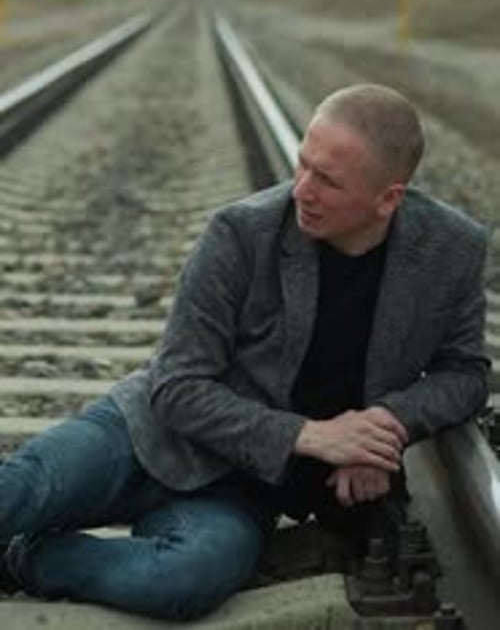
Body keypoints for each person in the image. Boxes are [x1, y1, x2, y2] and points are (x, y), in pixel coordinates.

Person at [0, 83, 489, 620]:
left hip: (239, 490)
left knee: (185, 580)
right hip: (144, 436)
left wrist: (383, 427)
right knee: (19, 489)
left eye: (327, 180)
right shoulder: (241, 232)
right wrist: (314, 436)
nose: (302, 189)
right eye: (303, 164)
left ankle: (29, 559)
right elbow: (175, 387)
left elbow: (465, 373)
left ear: (388, 198)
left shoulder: (452, 251)